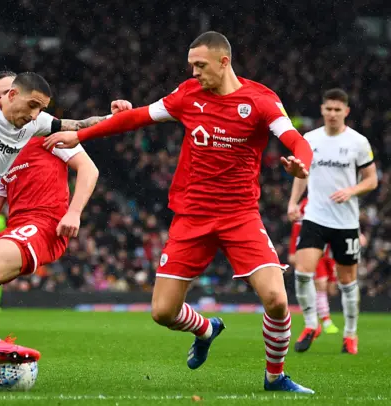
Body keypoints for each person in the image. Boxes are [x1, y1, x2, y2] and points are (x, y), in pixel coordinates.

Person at [44, 31, 314, 393]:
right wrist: (80, 136)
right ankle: (206, 328)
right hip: (192, 217)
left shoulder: (260, 100)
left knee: (278, 300)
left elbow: (295, 139)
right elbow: (137, 117)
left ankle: (275, 377)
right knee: (163, 313)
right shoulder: (187, 95)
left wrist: (302, 164)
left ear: (224, 61)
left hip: (240, 216)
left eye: (200, 65)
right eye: (191, 65)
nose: (194, 72)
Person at [0, 71, 131, 385]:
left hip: (46, 225)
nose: (0, 100)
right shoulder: (1, 153)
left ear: (17, 93)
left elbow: (88, 168)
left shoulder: (44, 135)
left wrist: (74, 213)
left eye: (5, 92)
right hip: (17, 229)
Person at [288, 88, 378, 355]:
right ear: (322, 109)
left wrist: (351, 191)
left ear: (346, 112)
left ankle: (350, 335)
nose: (332, 114)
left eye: (338, 110)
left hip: (346, 223)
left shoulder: (358, 142)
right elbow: (301, 174)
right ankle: (310, 324)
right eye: (328, 109)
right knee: (303, 273)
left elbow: (372, 180)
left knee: (347, 282)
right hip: (315, 217)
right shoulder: (310, 139)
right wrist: (293, 202)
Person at [288, 198, 339, 335]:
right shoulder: (307, 204)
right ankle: (323, 321)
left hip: (328, 253)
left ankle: (315, 321)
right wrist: (293, 251)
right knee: (320, 285)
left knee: (329, 288)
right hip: (313, 251)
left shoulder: (331, 202)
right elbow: (297, 228)